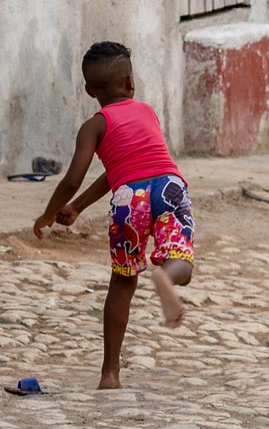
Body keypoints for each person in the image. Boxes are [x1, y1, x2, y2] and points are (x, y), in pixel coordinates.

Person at [32, 41, 195, 389]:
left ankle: (109, 374)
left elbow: (81, 177)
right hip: (169, 187)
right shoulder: (147, 111)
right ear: (131, 84)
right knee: (181, 260)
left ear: (89, 90)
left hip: (128, 199)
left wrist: (52, 212)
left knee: (122, 282)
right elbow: (125, 167)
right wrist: (78, 208)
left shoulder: (94, 126)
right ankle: (167, 276)